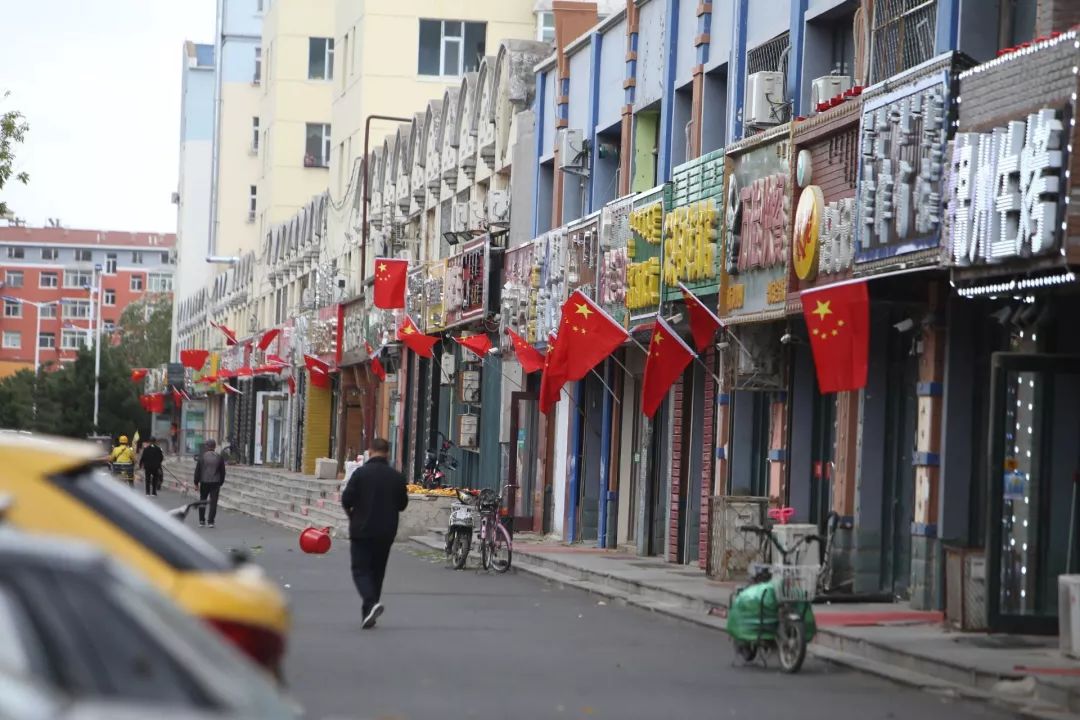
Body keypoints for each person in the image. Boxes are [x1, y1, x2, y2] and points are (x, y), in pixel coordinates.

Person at [341, 438, 408, 630]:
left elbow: (346, 500)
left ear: (370, 451)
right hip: (386, 532)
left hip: (361, 530)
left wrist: (352, 516)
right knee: (377, 572)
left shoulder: (360, 474)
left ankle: (370, 603)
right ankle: (368, 613)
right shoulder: (396, 477)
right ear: (388, 453)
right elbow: (402, 505)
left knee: (360, 570)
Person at [193, 439, 226, 528]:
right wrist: (221, 482)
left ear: (207, 446)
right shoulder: (219, 457)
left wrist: (196, 483)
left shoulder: (202, 457)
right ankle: (211, 521)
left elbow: (198, 471)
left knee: (202, 500)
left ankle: (201, 520)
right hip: (215, 482)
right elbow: (222, 471)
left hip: (204, 482)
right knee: (213, 502)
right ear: (215, 447)